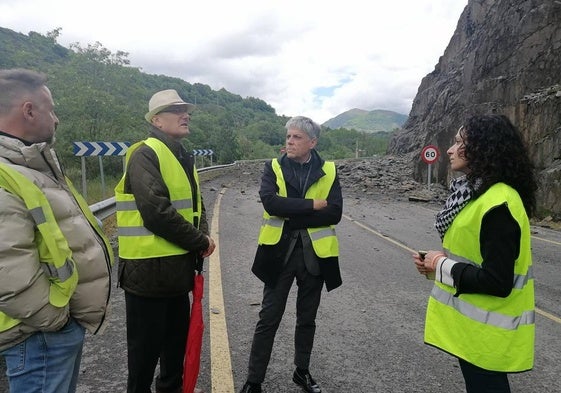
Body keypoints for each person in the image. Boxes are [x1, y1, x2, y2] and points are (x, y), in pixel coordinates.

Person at [0, 68, 114, 393]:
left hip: (44, 332)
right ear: (29, 110)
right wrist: (56, 320)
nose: (56, 118)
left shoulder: (31, 166)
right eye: (51, 109)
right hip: (37, 335)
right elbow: (6, 267)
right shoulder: (8, 172)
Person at [413, 114, 537, 393]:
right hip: (475, 333)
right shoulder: (475, 194)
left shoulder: (498, 203)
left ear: (483, 147)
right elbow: (470, 257)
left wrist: (442, 265)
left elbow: (498, 281)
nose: (450, 149)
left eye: (459, 143)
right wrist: (434, 266)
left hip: (489, 334)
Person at [115, 89, 216, 393]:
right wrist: (200, 240)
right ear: (156, 120)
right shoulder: (145, 153)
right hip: (146, 277)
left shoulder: (181, 154)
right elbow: (157, 212)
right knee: (143, 363)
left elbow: (195, 207)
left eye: (186, 110)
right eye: (176, 110)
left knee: (174, 359)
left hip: (175, 275)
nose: (185, 115)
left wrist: (203, 233)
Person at [239, 116, 343, 393]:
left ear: (312, 142)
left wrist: (292, 212)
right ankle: (254, 380)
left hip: (315, 256)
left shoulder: (329, 170)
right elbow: (271, 204)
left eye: (296, 137)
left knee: (307, 318)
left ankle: (302, 372)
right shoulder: (272, 167)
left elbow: (335, 212)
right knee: (268, 318)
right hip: (279, 255)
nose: (290, 142)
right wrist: (312, 206)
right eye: (288, 137)